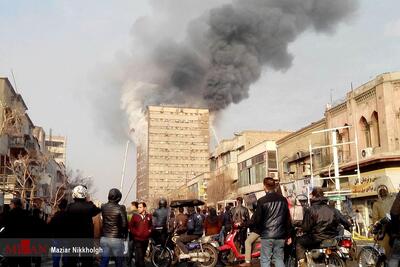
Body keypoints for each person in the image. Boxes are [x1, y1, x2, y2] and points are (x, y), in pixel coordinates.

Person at [296, 187, 339, 267]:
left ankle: (302, 263)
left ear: (314, 196)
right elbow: (342, 220)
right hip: (331, 237)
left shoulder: (311, 210)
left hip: (316, 237)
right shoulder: (332, 209)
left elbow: (306, 227)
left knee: (299, 242)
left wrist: (302, 229)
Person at [253, 177, 290, 267]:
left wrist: (259, 230)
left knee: (265, 260)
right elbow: (287, 219)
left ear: (264, 187)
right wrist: (288, 235)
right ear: (274, 186)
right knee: (279, 259)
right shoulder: (283, 200)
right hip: (280, 235)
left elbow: (257, 219)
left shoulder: (261, 201)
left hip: (267, 235)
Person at [63, 185, 101, 267]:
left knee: (71, 261)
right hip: (86, 238)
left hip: (73, 238)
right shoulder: (90, 206)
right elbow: (98, 210)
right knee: (87, 261)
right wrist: (89, 202)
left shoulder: (69, 207)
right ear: (85, 195)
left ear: (74, 195)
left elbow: (65, 219)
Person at [99, 188, 128, 267]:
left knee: (104, 261)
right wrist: (124, 235)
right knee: (119, 262)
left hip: (104, 238)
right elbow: (124, 224)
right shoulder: (120, 208)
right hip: (116, 239)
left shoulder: (103, 207)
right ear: (118, 198)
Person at [3, 198, 31, 267]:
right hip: (25, 242)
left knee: (12, 263)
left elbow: (4, 228)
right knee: (24, 263)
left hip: (12, 242)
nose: (10, 205)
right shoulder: (27, 214)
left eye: (10, 204)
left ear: (14, 204)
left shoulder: (9, 214)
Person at [372, 186, 394, 256]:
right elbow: (375, 219)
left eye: (384, 192)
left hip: (394, 227)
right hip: (384, 229)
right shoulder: (376, 204)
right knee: (386, 252)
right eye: (382, 192)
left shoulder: (392, 201)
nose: (383, 193)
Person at [130, 202, 152, 267]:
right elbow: (131, 227)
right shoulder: (135, 216)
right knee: (140, 257)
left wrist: (149, 231)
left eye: (140, 207)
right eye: (138, 207)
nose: (138, 209)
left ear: (144, 208)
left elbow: (151, 225)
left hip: (145, 239)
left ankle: (137, 264)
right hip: (137, 239)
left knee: (141, 256)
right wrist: (136, 233)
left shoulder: (149, 216)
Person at [240, 202, 261, 267]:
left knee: (247, 242)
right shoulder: (258, 212)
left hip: (257, 231)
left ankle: (247, 262)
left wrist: (242, 224)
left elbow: (251, 222)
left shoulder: (256, 213)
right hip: (260, 231)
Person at [49, 199, 68, 267]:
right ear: (66, 207)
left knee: (56, 258)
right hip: (66, 238)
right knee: (66, 257)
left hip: (56, 238)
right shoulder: (69, 216)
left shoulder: (56, 215)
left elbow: (50, 226)